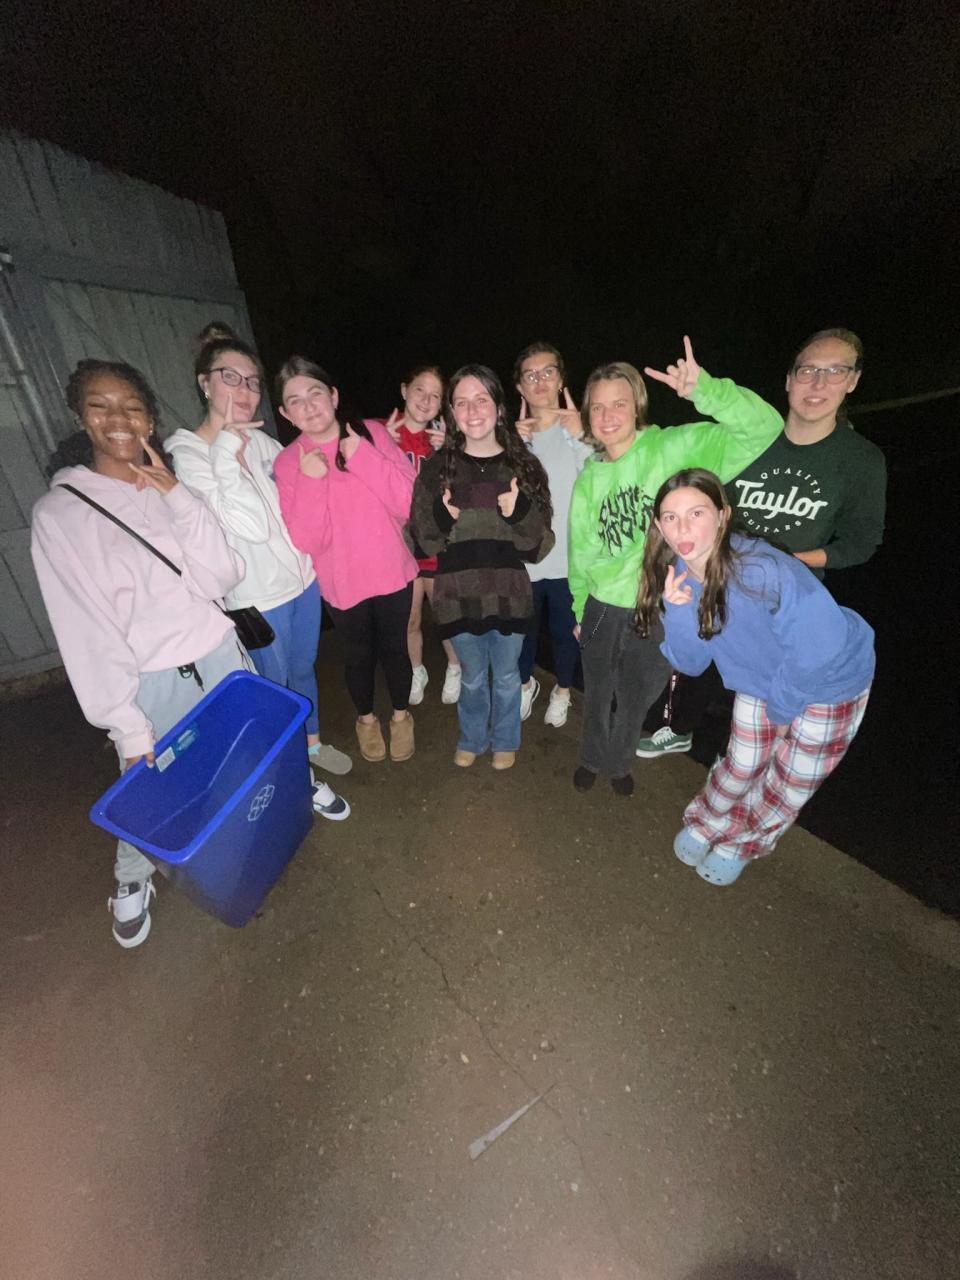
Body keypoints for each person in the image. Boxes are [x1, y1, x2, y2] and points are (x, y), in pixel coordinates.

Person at [31, 363, 241, 946]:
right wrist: (124, 723)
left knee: (234, 760)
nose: (118, 418)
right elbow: (85, 629)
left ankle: (240, 836)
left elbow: (221, 576)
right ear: (81, 419)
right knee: (148, 783)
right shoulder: (61, 514)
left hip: (220, 655)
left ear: (150, 418)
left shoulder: (171, 487)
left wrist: (178, 497)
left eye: (131, 406)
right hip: (153, 679)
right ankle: (132, 874)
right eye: (100, 405)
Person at [635, 326, 886, 760]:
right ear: (789, 379)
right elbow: (692, 491)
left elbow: (862, 541)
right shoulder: (755, 442)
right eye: (808, 370)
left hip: (785, 599)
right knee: (704, 665)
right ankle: (687, 732)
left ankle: (738, 757)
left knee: (763, 689)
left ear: (853, 380)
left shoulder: (860, 460)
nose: (818, 383)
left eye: (834, 371)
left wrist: (793, 561)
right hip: (715, 581)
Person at [636, 468, 874, 885]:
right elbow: (691, 663)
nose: (682, 529)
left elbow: (820, 645)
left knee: (788, 781)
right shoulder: (678, 575)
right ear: (658, 525)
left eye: (696, 513)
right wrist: (676, 608)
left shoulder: (761, 569)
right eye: (670, 517)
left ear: (723, 515)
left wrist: (782, 709)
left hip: (832, 681)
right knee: (743, 763)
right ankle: (705, 822)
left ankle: (739, 845)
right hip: (760, 677)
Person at [568, 337, 782, 796]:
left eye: (619, 403)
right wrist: (580, 608)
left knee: (637, 695)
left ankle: (619, 762)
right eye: (597, 407)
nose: (607, 415)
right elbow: (581, 549)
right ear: (587, 415)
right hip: (601, 605)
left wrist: (705, 390)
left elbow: (764, 429)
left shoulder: (673, 447)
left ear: (637, 406)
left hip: (661, 603)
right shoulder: (589, 477)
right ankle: (591, 757)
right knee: (598, 690)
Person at [165, 322, 353, 788]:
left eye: (252, 381)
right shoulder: (187, 454)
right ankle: (290, 769)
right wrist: (227, 447)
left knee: (303, 672)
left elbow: (299, 501)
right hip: (257, 598)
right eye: (229, 377)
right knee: (274, 686)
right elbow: (249, 526)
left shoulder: (265, 442)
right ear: (204, 382)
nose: (244, 391)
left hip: (302, 581)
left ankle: (311, 744)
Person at [408, 364, 554, 770]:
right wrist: (441, 517)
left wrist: (519, 511)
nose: (472, 411)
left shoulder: (523, 466)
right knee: (471, 676)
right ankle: (472, 737)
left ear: (499, 407)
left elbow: (539, 547)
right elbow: (420, 541)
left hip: (509, 592)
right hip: (456, 594)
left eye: (481, 400)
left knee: (507, 677)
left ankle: (506, 739)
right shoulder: (438, 469)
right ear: (451, 413)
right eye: (461, 402)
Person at [273, 357, 418, 763]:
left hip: (392, 570)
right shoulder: (288, 462)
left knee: (395, 648)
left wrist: (363, 456)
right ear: (285, 413)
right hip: (342, 581)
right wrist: (311, 481)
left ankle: (401, 716)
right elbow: (308, 540)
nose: (309, 406)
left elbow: (410, 503)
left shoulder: (370, 433)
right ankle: (366, 720)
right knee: (358, 656)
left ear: (333, 396)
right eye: (295, 401)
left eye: (315, 393)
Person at [513, 342, 593, 728]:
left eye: (548, 372)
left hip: (569, 560)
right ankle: (524, 684)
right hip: (525, 560)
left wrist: (580, 436)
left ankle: (562, 690)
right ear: (520, 388)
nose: (540, 380)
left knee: (565, 633)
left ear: (561, 379)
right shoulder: (513, 439)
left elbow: (597, 480)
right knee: (522, 632)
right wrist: (514, 447)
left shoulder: (580, 429)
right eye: (531, 375)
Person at [380, 365, 462, 707]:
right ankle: (417, 670)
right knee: (409, 617)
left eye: (435, 396)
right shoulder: (380, 433)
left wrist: (450, 451)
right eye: (419, 390)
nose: (426, 401)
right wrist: (379, 445)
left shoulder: (445, 439)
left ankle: (455, 666)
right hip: (398, 545)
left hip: (437, 543)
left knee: (444, 613)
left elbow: (465, 492)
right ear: (404, 390)